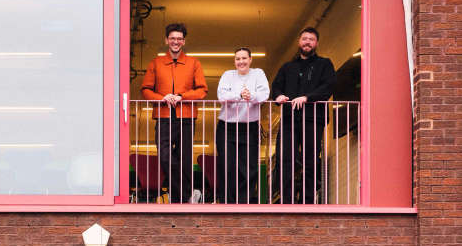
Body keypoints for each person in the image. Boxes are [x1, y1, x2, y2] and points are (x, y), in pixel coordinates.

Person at [140, 22, 208, 203]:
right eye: (172, 38)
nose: (175, 42)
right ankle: (188, 194)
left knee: (184, 158)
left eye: (179, 39)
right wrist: (162, 98)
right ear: (166, 40)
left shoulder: (193, 63)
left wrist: (181, 96)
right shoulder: (156, 63)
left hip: (186, 116)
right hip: (164, 116)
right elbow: (146, 89)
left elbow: (202, 90)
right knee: (165, 156)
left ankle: (178, 198)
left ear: (183, 41)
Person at [271, 27, 336, 204]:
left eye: (311, 39)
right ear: (299, 42)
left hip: (313, 119)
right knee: (285, 159)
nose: (307, 42)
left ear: (316, 43)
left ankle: (308, 201)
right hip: (289, 119)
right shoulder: (287, 67)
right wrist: (279, 96)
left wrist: (307, 97)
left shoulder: (324, 64)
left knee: (310, 159)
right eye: (304, 39)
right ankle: (287, 200)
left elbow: (328, 86)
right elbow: (276, 87)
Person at [215, 47, 270, 203]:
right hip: (227, 127)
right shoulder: (228, 75)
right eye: (238, 59)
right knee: (228, 166)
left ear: (250, 59)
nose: (241, 62)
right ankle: (228, 202)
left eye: (244, 58)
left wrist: (251, 96)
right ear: (234, 61)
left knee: (249, 167)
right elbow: (221, 96)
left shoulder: (258, 73)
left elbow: (264, 94)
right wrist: (239, 96)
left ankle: (244, 201)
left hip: (250, 127)